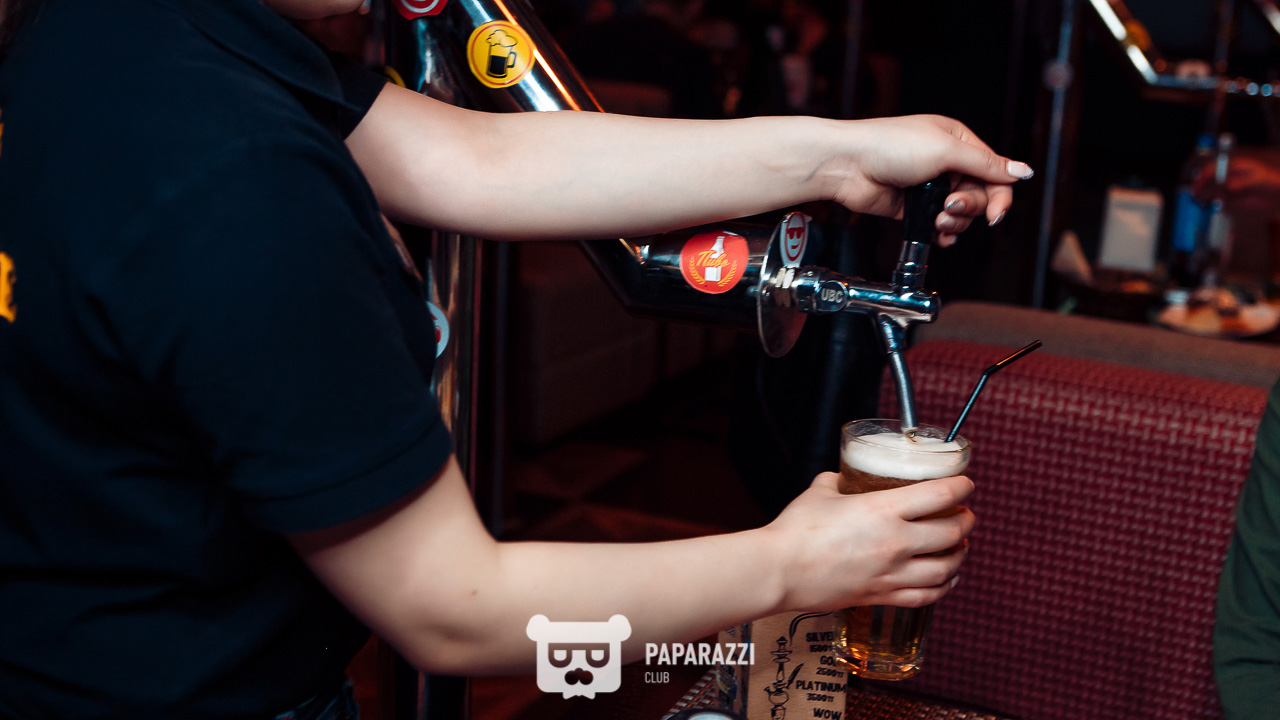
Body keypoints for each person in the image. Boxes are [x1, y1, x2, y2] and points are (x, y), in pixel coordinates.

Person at [0, 0, 1034, 717]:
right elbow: (449, 607)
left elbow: (469, 155)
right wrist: (795, 563)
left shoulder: (119, 30)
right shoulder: (237, 179)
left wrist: (841, 153)